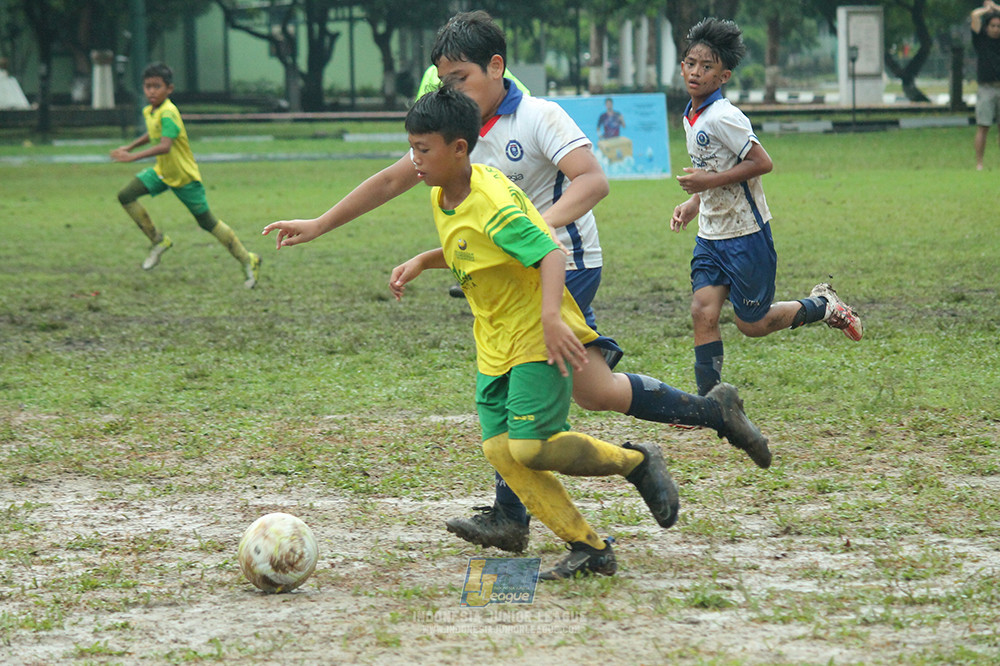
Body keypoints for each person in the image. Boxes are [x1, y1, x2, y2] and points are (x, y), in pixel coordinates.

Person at [262, 10, 768, 555]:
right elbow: (389, 180)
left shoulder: (536, 116)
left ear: (495, 66)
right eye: (443, 79)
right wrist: (318, 224)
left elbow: (592, 181)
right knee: (595, 391)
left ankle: (513, 516)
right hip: (513, 270)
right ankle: (714, 411)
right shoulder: (451, 130)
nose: (449, 87)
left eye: (459, 77)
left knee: (521, 401)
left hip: (564, 264)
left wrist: (525, 232)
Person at [390, 85, 679, 579]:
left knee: (530, 446)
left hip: (535, 334)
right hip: (495, 340)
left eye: (423, 149)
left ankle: (635, 462)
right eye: (412, 148)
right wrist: (424, 259)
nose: (414, 160)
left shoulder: (492, 200)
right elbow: (479, 248)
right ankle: (590, 548)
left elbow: (549, 250)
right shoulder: (444, 193)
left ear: (459, 148)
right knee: (500, 449)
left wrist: (550, 319)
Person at [669, 18, 863, 398]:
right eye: (691, 63)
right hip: (710, 235)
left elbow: (762, 162)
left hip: (746, 235)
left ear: (723, 76)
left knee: (752, 324)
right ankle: (710, 404)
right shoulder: (690, 116)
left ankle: (824, 306)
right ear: (682, 66)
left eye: (706, 67)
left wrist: (705, 184)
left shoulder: (725, 116)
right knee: (702, 311)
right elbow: (713, 168)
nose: (696, 72)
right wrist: (695, 202)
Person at [111, 62, 261, 288]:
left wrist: (131, 158)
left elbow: (165, 146)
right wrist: (129, 147)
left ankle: (248, 259)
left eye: (156, 86)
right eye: (147, 86)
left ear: (169, 89)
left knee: (207, 222)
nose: (151, 91)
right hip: (162, 172)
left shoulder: (169, 112)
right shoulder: (150, 110)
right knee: (126, 195)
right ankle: (159, 242)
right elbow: (151, 134)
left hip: (183, 177)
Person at [971, 1, 1000, 170]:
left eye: (998, 26)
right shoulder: (980, 40)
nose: (996, 29)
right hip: (986, 88)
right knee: (983, 126)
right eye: (993, 26)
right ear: (987, 27)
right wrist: (987, 9)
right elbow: (975, 16)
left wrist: (996, 7)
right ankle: (979, 163)